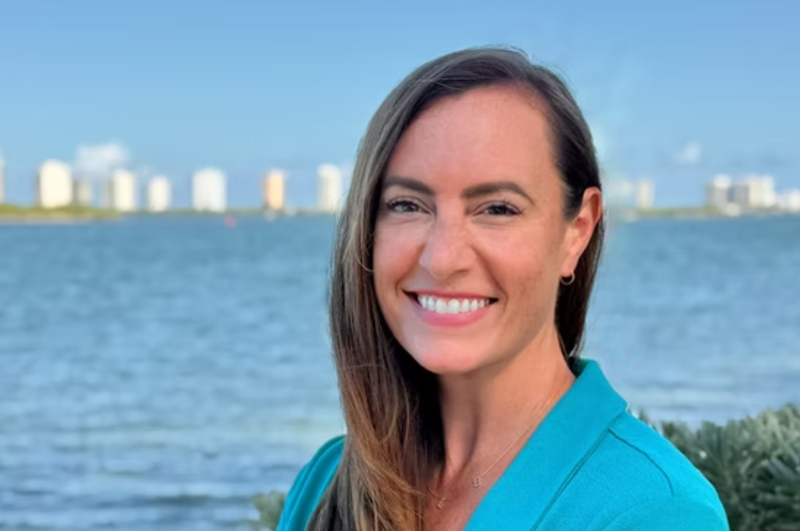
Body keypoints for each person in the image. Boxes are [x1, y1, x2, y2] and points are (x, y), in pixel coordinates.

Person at [276, 47, 729, 531]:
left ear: (577, 232)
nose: (442, 259)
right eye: (407, 205)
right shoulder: (327, 483)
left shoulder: (654, 511)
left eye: (497, 209)